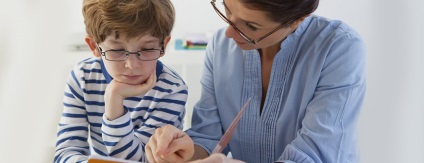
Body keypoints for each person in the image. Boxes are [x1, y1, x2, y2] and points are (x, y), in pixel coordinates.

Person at [146, 0, 366, 162]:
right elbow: (208, 137)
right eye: (227, 9)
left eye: (251, 26)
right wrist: (182, 150)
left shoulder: (338, 47)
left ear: (298, 20)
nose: (230, 33)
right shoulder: (220, 46)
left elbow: (314, 154)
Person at [54, 0, 188, 162]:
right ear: (94, 47)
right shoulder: (82, 77)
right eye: (117, 50)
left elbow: (141, 159)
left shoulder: (172, 89)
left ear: (163, 46)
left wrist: (114, 99)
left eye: (146, 49)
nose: (132, 65)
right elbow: (65, 152)